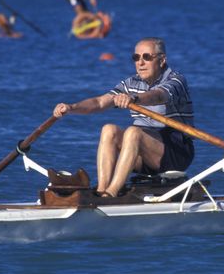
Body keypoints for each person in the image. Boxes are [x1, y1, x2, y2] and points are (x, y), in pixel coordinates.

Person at [53, 37, 195, 197]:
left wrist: (135, 99)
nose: (140, 63)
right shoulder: (130, 83)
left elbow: (158, 96)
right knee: (109, 130)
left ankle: (111, 194)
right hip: (142, 151)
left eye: (146, 57)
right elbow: (100, 102)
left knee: (134, 132)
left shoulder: (176, 80)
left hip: (176, 151)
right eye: (136, 57)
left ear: (162, 60)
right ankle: (101, 191)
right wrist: (72, 107)